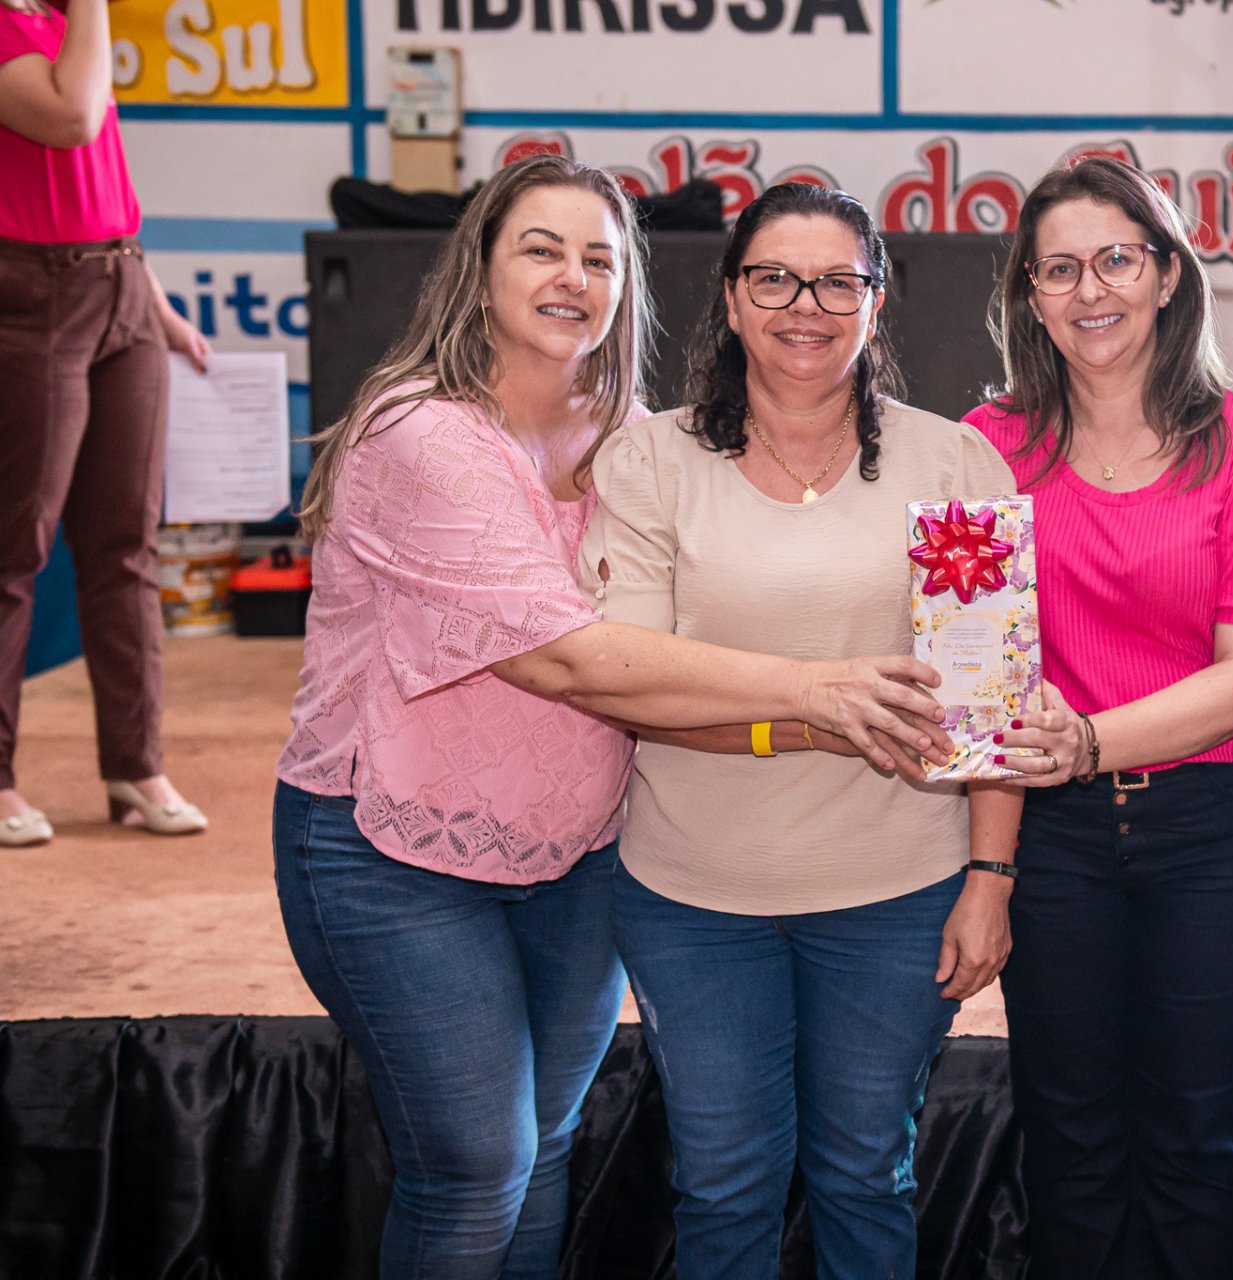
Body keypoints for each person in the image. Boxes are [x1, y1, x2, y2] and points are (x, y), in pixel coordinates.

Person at [273, 157, 951, 1280]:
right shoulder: (423, 435)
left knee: (543, 1149)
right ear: (479, 269)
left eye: (599, 258)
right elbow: (565, 659)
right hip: (393, 845)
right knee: (477, 1164)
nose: (573, 278)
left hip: (577, 849)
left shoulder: (628, 439)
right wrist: (812, 690)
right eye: (541, 249)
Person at [584, 180, 1024, 1280]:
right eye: (775, 279)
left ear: (876, 301)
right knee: (723, 1185)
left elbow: (988, 705)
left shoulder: (952, 465)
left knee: (866, 1175)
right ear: (732, 299)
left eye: (838, 282)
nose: (806, 306)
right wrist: (810, 715)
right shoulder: (649, 463)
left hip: (898, 892)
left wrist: (989, 877)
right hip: (691, 896)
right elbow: (631, 684)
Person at [966, 156, 1233, 1280]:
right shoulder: (986, 444)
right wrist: (994, 860)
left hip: (1220, 825)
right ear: (1030, 297)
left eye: (1117, 260)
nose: (1091, 290)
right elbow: (977, 674)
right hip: (1053, 833)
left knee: (1197, 1129)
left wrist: (1088, 741)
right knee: (1067, 1132)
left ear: (1168, 275)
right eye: (1058, 269)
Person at [0, 0, 214, 848]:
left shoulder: (58, 20)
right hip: (33, 294)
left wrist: (154, 304)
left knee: (126, 545)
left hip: (120, 283)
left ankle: (136, 766)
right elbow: (71, 119)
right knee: (15, 547)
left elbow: (101, 178)